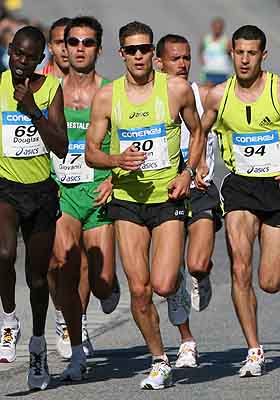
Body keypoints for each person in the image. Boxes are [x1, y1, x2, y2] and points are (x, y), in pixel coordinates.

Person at [86, 21, 203, 390]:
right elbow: (91, 152)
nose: (139, 55)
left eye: (145, 49)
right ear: (121, 54)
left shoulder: (175, 89)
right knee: (140, 290)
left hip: (166, 198)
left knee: (164, 284)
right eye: (131, 50)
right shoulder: (107, 97)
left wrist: (187, 172)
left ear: (153, 53)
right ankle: (159, 359)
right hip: (128, 200)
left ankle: (177, 283)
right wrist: (116, 161)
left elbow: (197, 132)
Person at [200, 24, 280, 377]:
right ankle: (254, 349)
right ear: (231, 53)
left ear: (263, 56)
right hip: (240, 188)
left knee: (269, 282)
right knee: (239, 266)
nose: (244, 59)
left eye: (252, 53)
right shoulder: (219, 95)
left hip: (275, 189)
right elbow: (198, 131)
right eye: (239, 52)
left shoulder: (277, 91)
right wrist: (195, 164)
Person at [50, 16, 120, 381]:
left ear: (98, 48)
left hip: (99, 190)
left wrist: (116, 179)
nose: (79, 48)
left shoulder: (110, 91)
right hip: (63, 193)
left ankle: (107, 283)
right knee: (65, 261)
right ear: (64, 45)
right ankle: (76, 348)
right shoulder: (51, 89)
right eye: (73, 41)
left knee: (102, 281)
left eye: (87, 42)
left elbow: (129, 140)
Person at [0, 26, 68, 390]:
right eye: (17, 55)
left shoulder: (52, 90)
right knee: (3, 253)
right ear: (9, 51)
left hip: (41, 191)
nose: (22, 63)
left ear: (41, 59)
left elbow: (61, 147)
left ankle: (39, 343)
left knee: (37, 277)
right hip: (5, 187)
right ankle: (9, 319)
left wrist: (32, 111)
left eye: (30, 57)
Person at [155, 34, 221, 368]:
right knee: (170, 277)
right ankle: (186, 341)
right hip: (165, 194)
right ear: (159, 63)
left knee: (195, 263)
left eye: (186, 58)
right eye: (175, 59)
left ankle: (203, 274)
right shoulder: (150, 100)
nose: (182, 64)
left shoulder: (205, 94)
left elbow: (239, 121)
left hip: (201, 189)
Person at [199, 17, 231, 86]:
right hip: (209, 72)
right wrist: (203, 61)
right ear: (212, 27)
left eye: (220, 28)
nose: (217, 30)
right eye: (216, 27)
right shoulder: (206, 39)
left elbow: (231, 55)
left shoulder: (226, 41)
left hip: (223, 73)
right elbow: (200, 50)